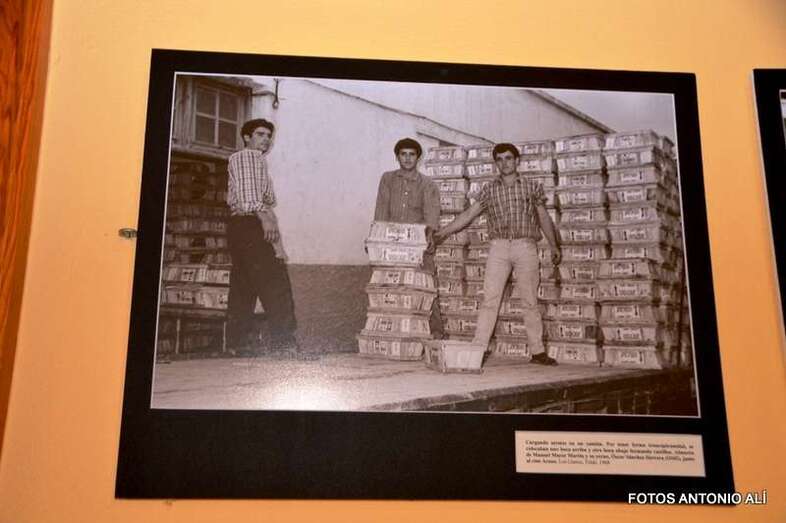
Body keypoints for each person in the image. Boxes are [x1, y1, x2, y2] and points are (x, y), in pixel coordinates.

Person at [434, 143, 561, 365]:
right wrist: (442, 234)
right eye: (500, 159)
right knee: (490, 299)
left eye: (509, 158)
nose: (505, 163)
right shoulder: (489, 190)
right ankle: (479, 349)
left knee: (530, 300)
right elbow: (468, 215)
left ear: (517, 160)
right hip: (499, 248)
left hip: (526, 246)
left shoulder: (532, 186)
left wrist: (554, 245)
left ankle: (538, 351)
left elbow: (543, 218)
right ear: (496, 163)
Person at [225, 118, 299, 356]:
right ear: (247, 137)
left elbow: (268, 201)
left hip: (244, 225)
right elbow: (253, 200)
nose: (265, 139)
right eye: (259, 134)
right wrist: (266, 221)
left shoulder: (259, 162)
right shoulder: (246, 157)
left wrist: (278, 243)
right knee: (275, 282)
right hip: (251, 223)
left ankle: (239, 344)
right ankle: (283, 344)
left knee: (244, 284)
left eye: (268, 135)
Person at [373, 138, 444, 338]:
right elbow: (381, 212)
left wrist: (428, 238)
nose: (407, 158)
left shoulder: (427, 185)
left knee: (426, 289)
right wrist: (377, 241)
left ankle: (436, 336)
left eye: (411, 154)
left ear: (418, 158)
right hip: (391, 245)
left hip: (417, 247)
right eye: (403, 154)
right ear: (397, 157)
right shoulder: (387, 179)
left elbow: (431, 217)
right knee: (389, 289)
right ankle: (392, 336)